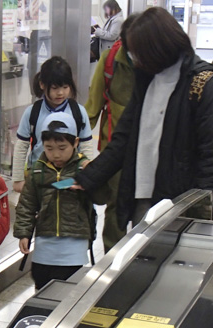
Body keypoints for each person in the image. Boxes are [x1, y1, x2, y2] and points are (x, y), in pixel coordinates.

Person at [73, 7, 213, 228]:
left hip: (181, 207)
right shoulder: (146, 80)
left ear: (157, 47)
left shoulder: (204, 85)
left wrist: (199, 211)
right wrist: (89, 177)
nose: (134, 58)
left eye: (138, 51)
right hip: (142, 199)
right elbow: (123, 139)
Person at [14, 112, 106, 289]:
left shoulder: (84, 167)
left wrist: (92, 181)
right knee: (43, 289)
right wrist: (24, 233)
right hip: (44, 245)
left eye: (62, 148)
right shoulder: (38, 171)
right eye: (49, 148)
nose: (55, 154)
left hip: (75, 244)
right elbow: (27, 204)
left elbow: (102, 198)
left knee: (69, 292)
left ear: (76, 143)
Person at [85, 14, 138, 252]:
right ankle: (112, 263)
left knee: (146, 208)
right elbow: (93, 107)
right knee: (116, 206)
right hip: (114, 149)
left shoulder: (159, 65)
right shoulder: (110, 61)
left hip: (150, 150)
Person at [12, 56, 95, 193]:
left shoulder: (78, 112)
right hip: (39, 175)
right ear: (42, 85)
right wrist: (18, 180)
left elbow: (86, 146)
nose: (61, 93)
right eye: (55, 88)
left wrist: (89, 176)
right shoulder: (33, 112)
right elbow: (21, 146)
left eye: (65, 87)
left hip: (70, 177)